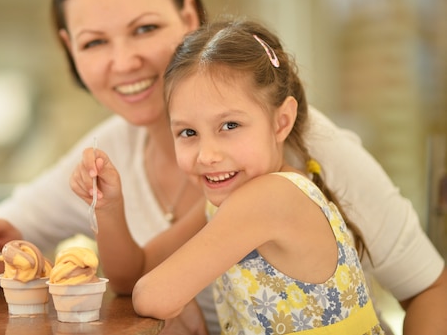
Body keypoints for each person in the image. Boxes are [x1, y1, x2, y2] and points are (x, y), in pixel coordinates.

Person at [0, 0, 447, 335]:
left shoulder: (304, 153)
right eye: (95, 41)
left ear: (188, 19)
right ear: (69, 49)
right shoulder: (127, 155)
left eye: (144, 29)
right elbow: (114, 265)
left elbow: (430, 288)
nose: (124, 61)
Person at [120, 18, 383, 333]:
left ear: (281, 122)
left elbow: (151, 296)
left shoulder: (269, 198)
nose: (207, 155)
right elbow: (136, 272)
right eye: (188, 132)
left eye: (230, 125)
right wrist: (107, 206)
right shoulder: (235, 201)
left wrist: (180, 300)